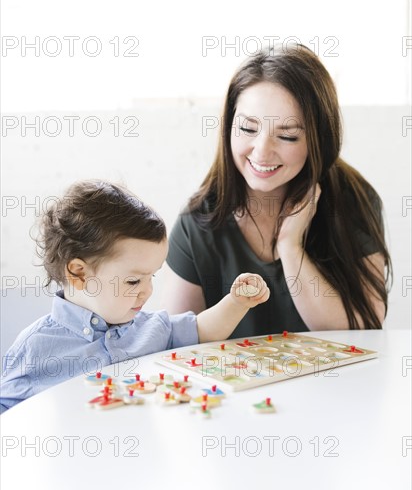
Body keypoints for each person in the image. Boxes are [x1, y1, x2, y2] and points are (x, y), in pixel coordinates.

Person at [163, 44, 392, 336]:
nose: (262, 152)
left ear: (319, 140)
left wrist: (290, 246)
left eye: (287, 136)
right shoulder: (198, 221)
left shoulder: (352, 200)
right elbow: (178, 344)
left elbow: (365, 326)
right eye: (247, 129)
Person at [0, 180, 269, 413]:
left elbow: (203, 330)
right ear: (79, 273)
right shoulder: (35, 348)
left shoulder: (152, 328)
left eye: (151, 276)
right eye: (133, 280)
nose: (147, 290)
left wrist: (236, 302)